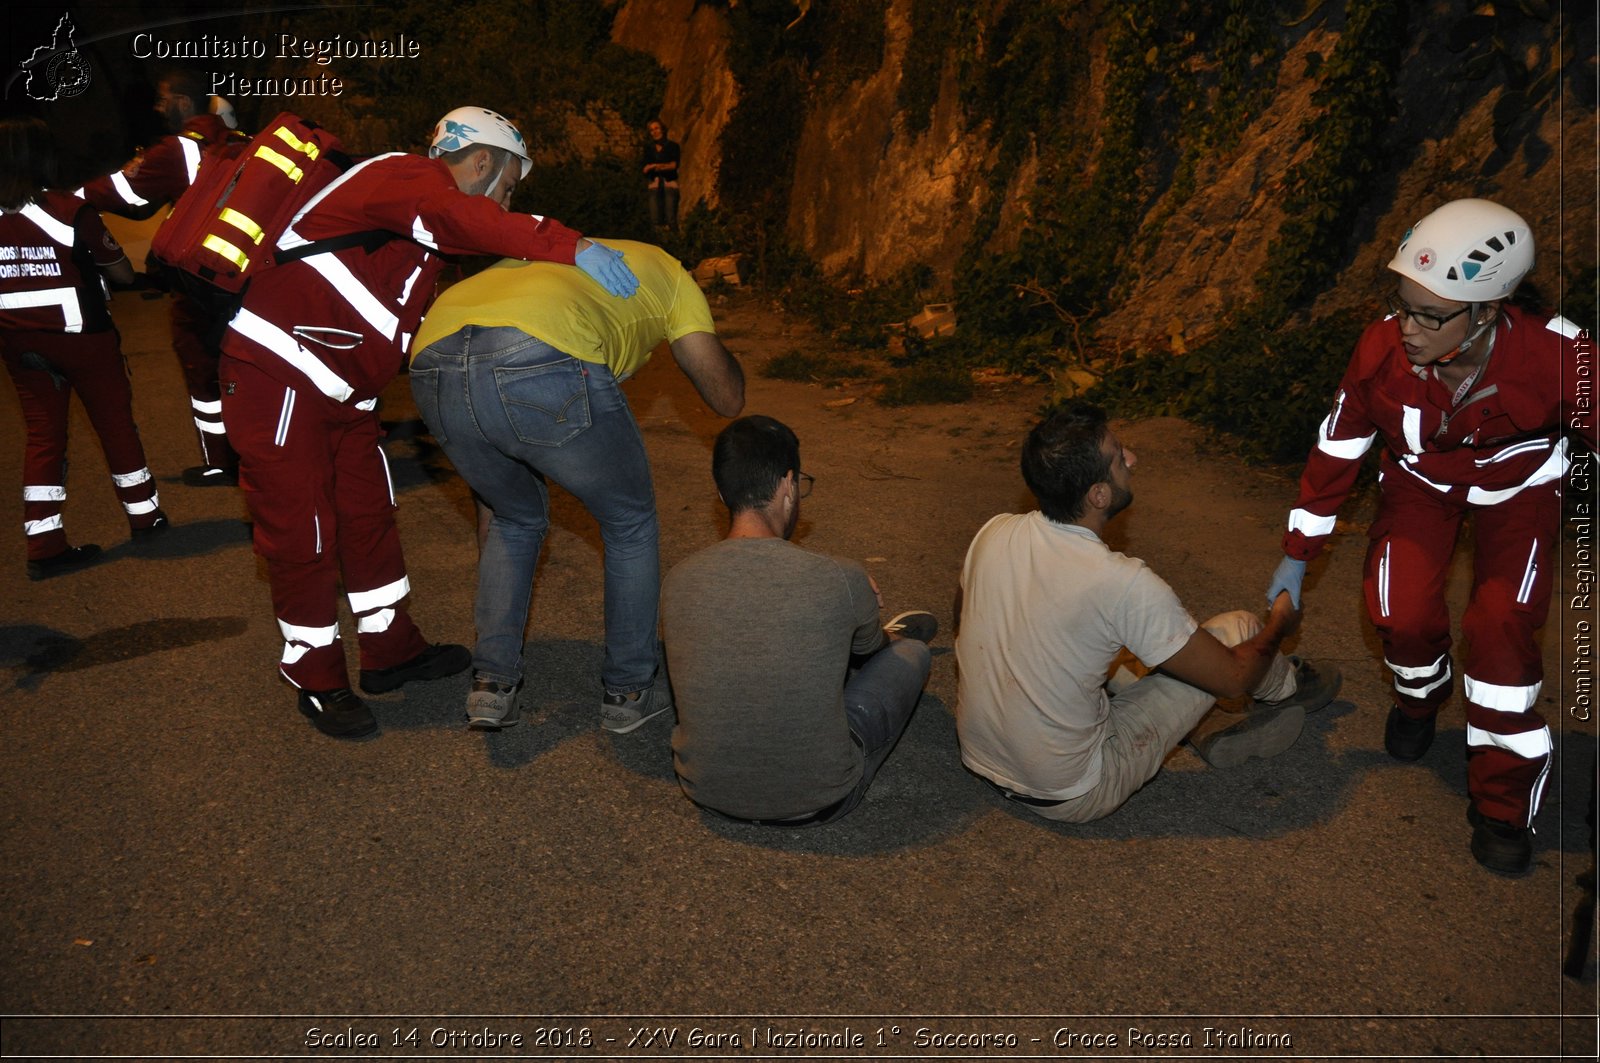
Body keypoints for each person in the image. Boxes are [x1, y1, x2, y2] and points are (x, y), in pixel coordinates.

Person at [216, 105, 641, 740]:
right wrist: (567, 244)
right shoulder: (410, 179)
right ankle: (316, 674)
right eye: (508, 186)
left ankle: (391, 652)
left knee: (368, 518)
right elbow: (464, 219)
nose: (504, 201)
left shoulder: (416, 219)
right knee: (301, 530)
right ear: (482, 161)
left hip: (343, 393)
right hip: (278, 376)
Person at [1267, 198, 1595, 874]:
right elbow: (1340, 444)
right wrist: (1297, 554)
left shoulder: (1562, 355)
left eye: (1428, 314)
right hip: (1423, 482)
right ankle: (1420, 697)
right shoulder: (1381, 348)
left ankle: (1502, 803)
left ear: (1487, 311)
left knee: (1501, 627)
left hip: (1520, 489)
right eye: (1403, 303)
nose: (1406, 327)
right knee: (1401, 613)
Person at [409, 239, 745, 733]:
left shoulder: (532, 255)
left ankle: (492, 684)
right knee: (629, 520)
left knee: (512, 516)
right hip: (543, 347)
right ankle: (628, 690)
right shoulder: (671, 274)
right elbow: (726, 397)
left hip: (431, 357)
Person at [954, 402, 1341, 824]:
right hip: (1071, 791)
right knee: (1238, 630)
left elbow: (964, 618)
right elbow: (1233, 677)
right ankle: (1285, 687)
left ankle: (1201, 725)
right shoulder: (1122, 583)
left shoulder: (994, 531)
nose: (1132, 460)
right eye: (1120, 457)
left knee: (1108, 643)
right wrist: (1282, 622)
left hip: (980, 757)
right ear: (1098, 495)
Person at [661, 415, 937, 825]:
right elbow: (868, 652)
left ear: (721, 494)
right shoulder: (840, 575)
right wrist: (855, 599)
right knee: (911, 652)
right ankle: (895, 635)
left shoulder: (677, 578)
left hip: (706, 791)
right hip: (821, 799)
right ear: (788, 485)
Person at [0, 117, 168, 579]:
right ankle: (145, 516)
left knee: (43, 437)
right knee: (115, 424)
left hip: (18, 344)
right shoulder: (68, 209)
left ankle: (44, 543)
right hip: (83, 338)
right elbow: (122, 273)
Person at [77, 68, 250, 487]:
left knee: (202, 366)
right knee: (252, 363)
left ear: (184, 104)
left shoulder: (178, 150)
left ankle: (222, 461)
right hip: (254, 275)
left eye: (163, 98)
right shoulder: (245, 142)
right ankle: (266, 445)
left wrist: (52, 202)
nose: (157, 107)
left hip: (204, 283)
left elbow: (115, 193)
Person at [641, 119, 680, 231]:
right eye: (652, 130)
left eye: (656, 128)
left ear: (662, 129)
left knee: (671, 218)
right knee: (655, 219)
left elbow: (673, 165)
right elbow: (644, 168)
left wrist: (654, 166)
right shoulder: (649, 149)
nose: (654, 132)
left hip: (669, 183)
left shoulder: (673, 146)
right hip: (654, 184)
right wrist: (661, 166)